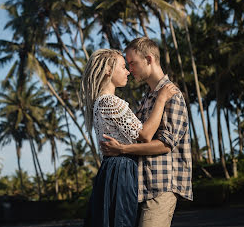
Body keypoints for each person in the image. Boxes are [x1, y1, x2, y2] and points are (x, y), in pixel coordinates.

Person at [100, 37, 193, 227]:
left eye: (133, 63)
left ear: (149, 59)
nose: (130, 69)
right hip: (142, 187)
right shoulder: (149, 98)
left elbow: (165, 145)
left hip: (161, 185)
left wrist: (123, 150)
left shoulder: (171, 95)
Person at [80, 48, 178, 227]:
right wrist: (161, 99)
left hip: (112, 167)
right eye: (123, 67)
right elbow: (146, 135)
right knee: (121, 219)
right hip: (121, 168)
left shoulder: (100, 102)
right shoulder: (111, 102)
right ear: (108, 70)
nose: (128, 72)